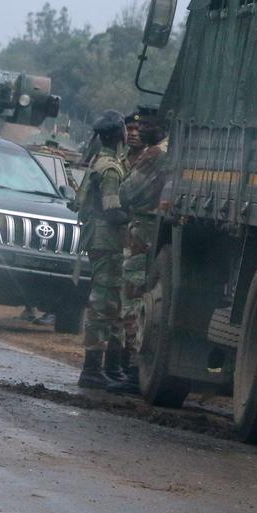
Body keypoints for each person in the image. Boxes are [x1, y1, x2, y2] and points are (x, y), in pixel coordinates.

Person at [110, 110, 168, 394]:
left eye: (145, 125)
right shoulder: (161, 152)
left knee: (132, 302)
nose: (139, 130)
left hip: (142, 232)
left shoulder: (156, 154)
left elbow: (127, 193)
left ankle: (133, 369)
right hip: (147, 231)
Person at [71, 110, 129, 389]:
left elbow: (78, 202)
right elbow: (112, 209)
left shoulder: (99, 162)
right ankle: (92, 370)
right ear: (121, 135)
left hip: (100, 241)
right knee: (103, 304)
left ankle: (112, 369)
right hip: (107, 243)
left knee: (113, 304)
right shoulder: (110, 169)